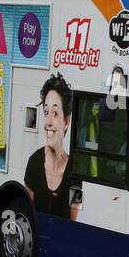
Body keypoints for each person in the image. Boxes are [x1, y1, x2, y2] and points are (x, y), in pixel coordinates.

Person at [24, 73, 80, 220]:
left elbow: (74, 222)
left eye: (55, 113)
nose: (48, 122)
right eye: (46, 112)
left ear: (66, 122)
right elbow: (27, 215)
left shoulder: (76, 171)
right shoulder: (34, 163)